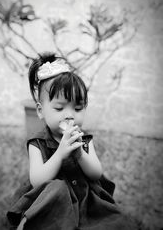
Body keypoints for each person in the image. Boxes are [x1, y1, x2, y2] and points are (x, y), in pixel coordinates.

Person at [7, 53, 137, 230]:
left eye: (77, 108)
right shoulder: (37, 143)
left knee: (118, 223)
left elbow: (96, 173)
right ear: (40, 111)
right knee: (56, 191)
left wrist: (81, 155)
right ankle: (29, 221)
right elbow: (37, 180)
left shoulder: (82, 139)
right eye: (59, 108)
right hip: (51, 201)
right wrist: (60, 154)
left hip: (84, 197)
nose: (69, 115)